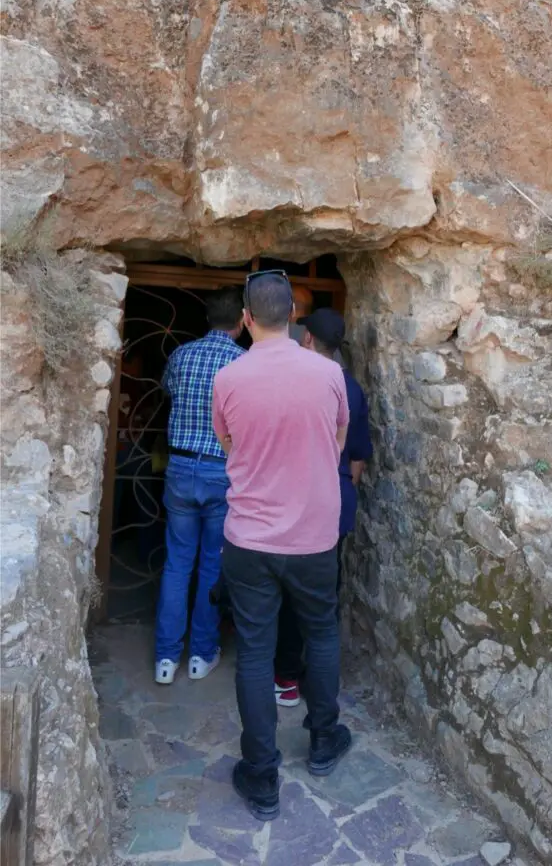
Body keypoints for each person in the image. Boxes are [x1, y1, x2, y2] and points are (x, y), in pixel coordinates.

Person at [212, 269, 352, 822]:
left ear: (246, 320)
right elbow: (339, 439)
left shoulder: (229, 376)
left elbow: (228, 442)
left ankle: (262, 774)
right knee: (320, 633)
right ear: (293, 314)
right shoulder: (328, 373)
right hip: (315, 534)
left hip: (249, 537)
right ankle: (322, 740)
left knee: (254, 650)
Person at [274, 308, 372, 708]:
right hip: (334, 504)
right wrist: (342, 489)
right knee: (323, 598)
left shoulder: (291, 381)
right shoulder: (352, 388)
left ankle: (285, 679)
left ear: (309, 339)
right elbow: (359, 456)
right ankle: (320, 687)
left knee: (284, 594)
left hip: (294, 502)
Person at [154, 287, 245, 685]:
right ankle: (201, 655)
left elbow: (167, 392)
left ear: (207, 320)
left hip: (179, 467)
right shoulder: (243, 363)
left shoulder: (181, 355)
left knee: (176, 564)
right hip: (221, 471)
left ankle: (165, 659)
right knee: (212, 564)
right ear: (242, 322)